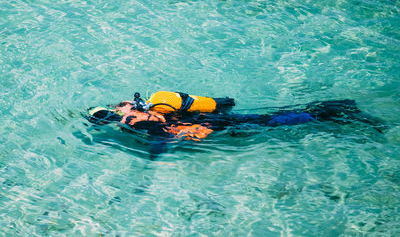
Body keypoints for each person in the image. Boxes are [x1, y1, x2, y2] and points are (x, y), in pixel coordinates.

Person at [87, 91, 385, 143]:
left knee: (271, 122)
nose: (117, 110)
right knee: (270, 118)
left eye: (115, 110)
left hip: (212, 126)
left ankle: (335, 110)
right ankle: (333, 108)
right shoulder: (145, 106)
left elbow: (161, 132)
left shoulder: (137, 118)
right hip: (211, 122)